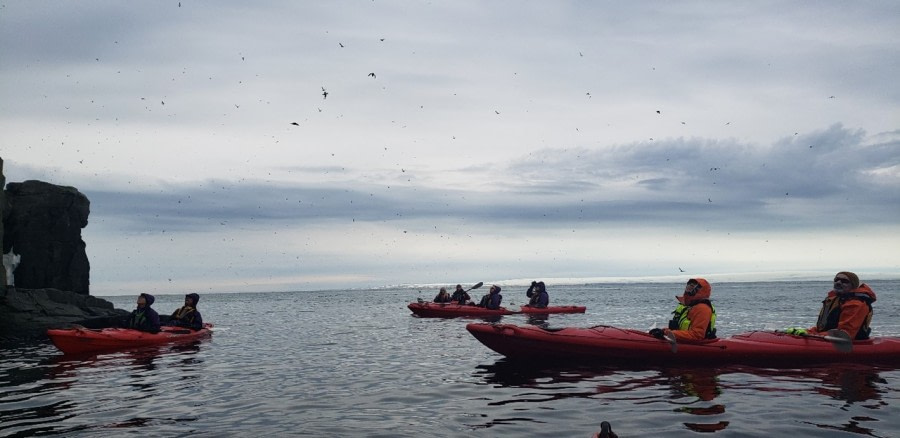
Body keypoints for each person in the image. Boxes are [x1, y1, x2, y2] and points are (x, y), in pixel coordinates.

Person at [785, 271, 877, 340]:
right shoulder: (834, 300)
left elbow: (846, 334)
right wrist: (806, 332)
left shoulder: (856, 304)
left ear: (853, 286)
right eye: (836, 280)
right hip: (828, 338)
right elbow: (823, 328)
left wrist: (815, 336)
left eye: (844, 281)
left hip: (847, 342)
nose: (838, 282)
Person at [649, 278, 716, 342]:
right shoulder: (689, 307)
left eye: (691, 287)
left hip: (695, 344)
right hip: (682, 340)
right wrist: (663, 331)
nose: (688, 289)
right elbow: (680, 330)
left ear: (699, 290)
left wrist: (666, 333)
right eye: (688, 287)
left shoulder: (702, 309)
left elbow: (697, 335)